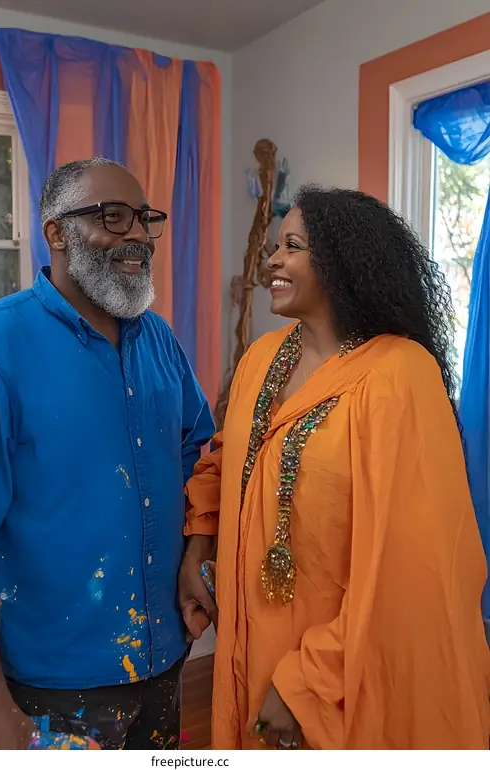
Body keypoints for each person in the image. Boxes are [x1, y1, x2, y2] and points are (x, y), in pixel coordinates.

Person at [179, 186, 490, 750]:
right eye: (275, 246)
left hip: (342, 674)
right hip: (249, 648)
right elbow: (228, 461)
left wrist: (306, 686)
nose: (272, 259)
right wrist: (200, 543)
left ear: (341, 261)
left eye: (292, 246)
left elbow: (411, 566)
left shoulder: (399, 374)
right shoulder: (262, 358)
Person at [0, 158, 215, 750]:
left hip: (163, 664)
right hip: (51, 690)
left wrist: (195, 555)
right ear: (56, 232)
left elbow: (194, 452)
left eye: (144, 219)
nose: (136, 234)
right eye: (113, 217)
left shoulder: (158, 338)